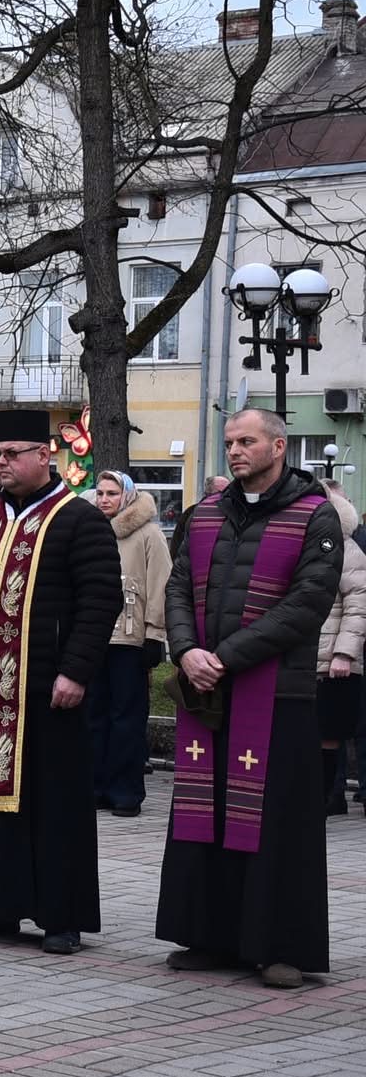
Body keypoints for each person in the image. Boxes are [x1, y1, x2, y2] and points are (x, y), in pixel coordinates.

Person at [158, 409, 342, 989]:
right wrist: (186, 650)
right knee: (206, 813)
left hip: (277, 692)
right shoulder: (206, 512)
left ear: (279, 446)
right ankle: (209, 935)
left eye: (247, 441)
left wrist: (225, 657)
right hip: (206, 689)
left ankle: (280, 945)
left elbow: (308, 604)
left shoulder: (316, 515)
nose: (235, 451)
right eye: (231, 442)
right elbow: (179, 586)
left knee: (275, 823)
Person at [0, 410, 119, 955]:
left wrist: (75, 671)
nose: (1, 462)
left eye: (12, 453)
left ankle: (61, 916)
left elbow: (100, 601)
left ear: (45, 456)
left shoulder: (78, 519)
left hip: (43, 691)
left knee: (50, 805)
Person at [93, 471, 169, 817]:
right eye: (100, 493)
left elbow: (160, 584)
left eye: (111, 493)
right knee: (93, 715)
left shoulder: (149, 533)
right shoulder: (92, 530)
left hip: (130, 637)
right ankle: (95, 787)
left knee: (127, 718)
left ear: (127, 496)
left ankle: (125, 791)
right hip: (94, 637)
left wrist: (155, 633)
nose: (105, 499)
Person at [314, 490, 366, 814]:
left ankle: (324, 799)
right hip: (303, 660)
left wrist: (344, 654)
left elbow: (358, 606)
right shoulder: (307, 548)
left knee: (328, 734)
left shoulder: (348, 551)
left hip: (333, 662)